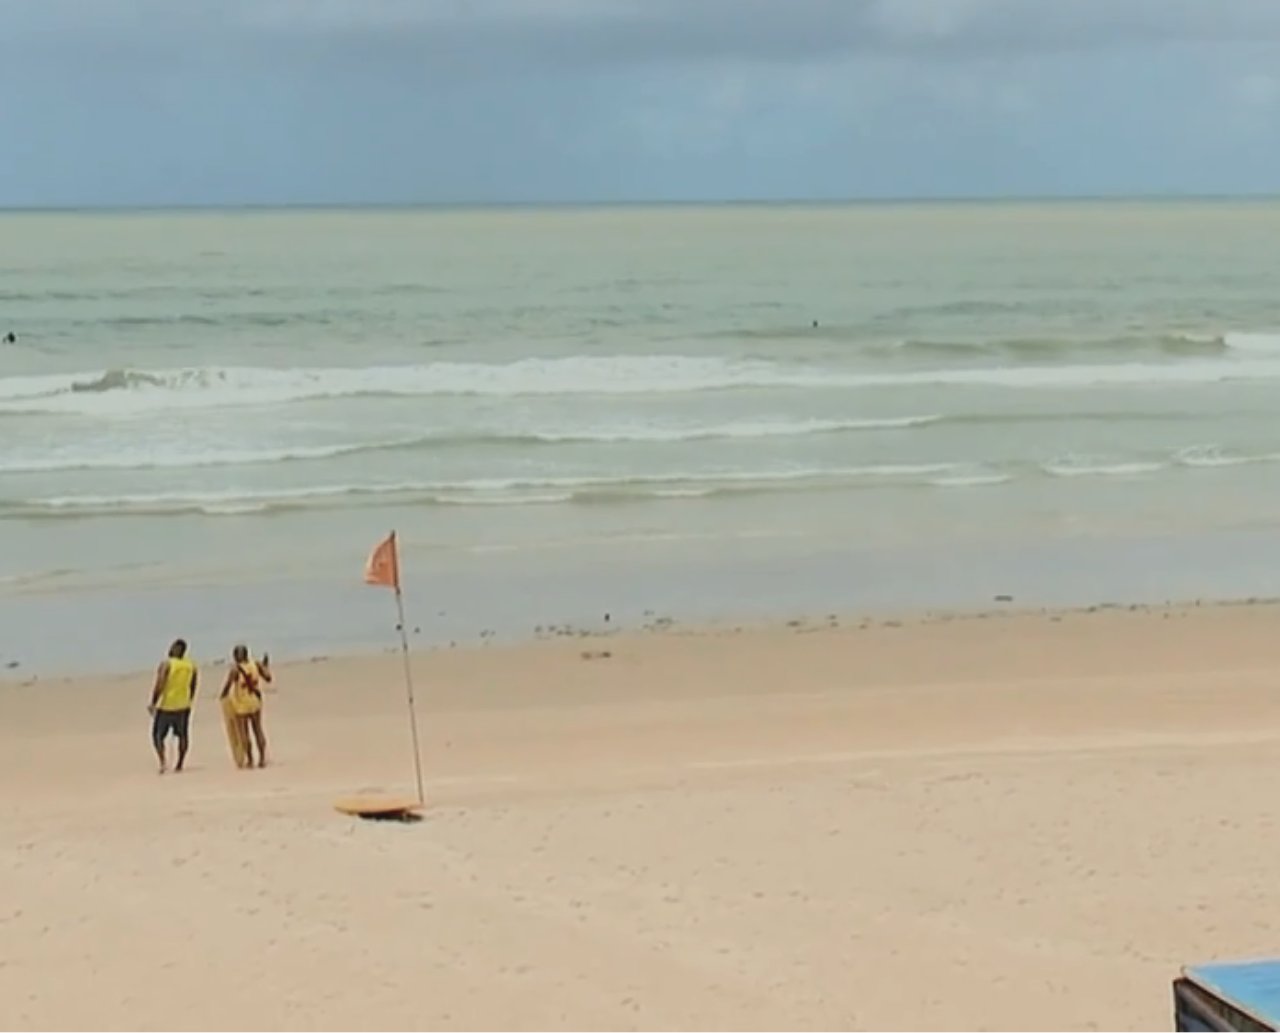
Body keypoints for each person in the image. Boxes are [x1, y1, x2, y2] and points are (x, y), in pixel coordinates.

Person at [148, 638, 197, 774]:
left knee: (157, 735)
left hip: (166, 706)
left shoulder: (167, 664)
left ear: (175, 650)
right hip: (183, 706)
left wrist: (153, 701)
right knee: (183, 735)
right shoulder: (191, 665)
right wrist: (189, 699)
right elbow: (193, 685)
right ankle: (180, 763)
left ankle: (163, 761)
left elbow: (160, 683)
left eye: (172, 647)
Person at [221, 645, 271, 768]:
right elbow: (268, 678)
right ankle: (262, 758)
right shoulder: (256, 664)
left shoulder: (235, 670)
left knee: (244, 733)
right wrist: (265, 666)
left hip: (241, 704)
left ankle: (250, 759)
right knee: (258, 730)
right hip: (255, 701)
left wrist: (222, 699)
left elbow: (226, 688)